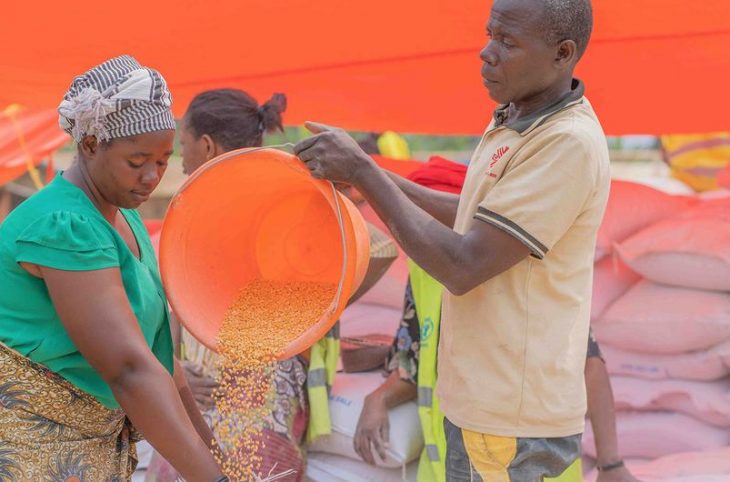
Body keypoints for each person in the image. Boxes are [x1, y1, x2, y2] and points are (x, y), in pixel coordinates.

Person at [294, 0, 610, 479]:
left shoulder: (566, 143)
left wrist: (362, 169)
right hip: (483, 406)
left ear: (562, 53)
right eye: (489, 35)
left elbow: (464, 265)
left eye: (507, 42)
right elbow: (471, 217)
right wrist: (373, 178)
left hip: (515, 420)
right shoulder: (514, 119)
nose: (487, 53)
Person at [146, 88, 397, 481]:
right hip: (202, 392)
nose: (181, 160)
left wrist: (321, 304)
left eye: (183, 146)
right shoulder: (199, 210)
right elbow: (177, 297)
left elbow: (378, 247)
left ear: (207, 146)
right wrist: (173, 368)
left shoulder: (279, 193)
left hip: (262, 396)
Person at [0, 56, 226, 481]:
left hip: (91, 455)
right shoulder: (64, 226)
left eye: (163, 160)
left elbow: (160, 363)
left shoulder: (123, 216)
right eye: (137, 160)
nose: (152, 177)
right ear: (89, 145)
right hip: (32, 456)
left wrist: (220, 462)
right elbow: (128, 369)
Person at [353, 159, 638, 482]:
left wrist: (611, 464)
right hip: (451, 465)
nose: (419, 233)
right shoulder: (421, 275)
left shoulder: (525, 269)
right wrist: (378, 398)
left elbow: (588, 364)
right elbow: (415, 363)